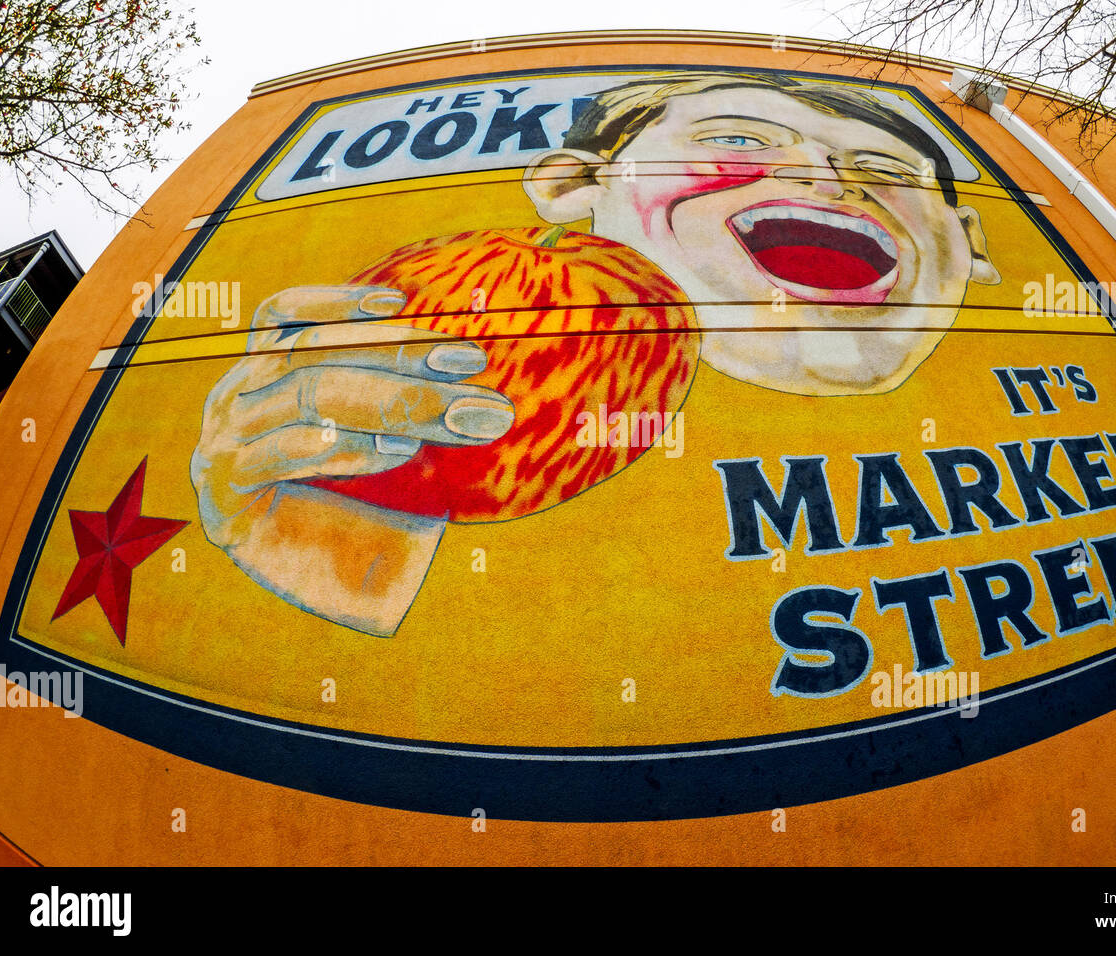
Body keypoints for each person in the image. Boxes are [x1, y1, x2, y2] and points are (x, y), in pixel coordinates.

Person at [190, 71, 1001, 635]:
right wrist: (317, 544)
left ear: (969, 246)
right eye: (740, 139)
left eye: (884, 168)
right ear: (573, 185)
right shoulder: (477, 323)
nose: (823, 177)